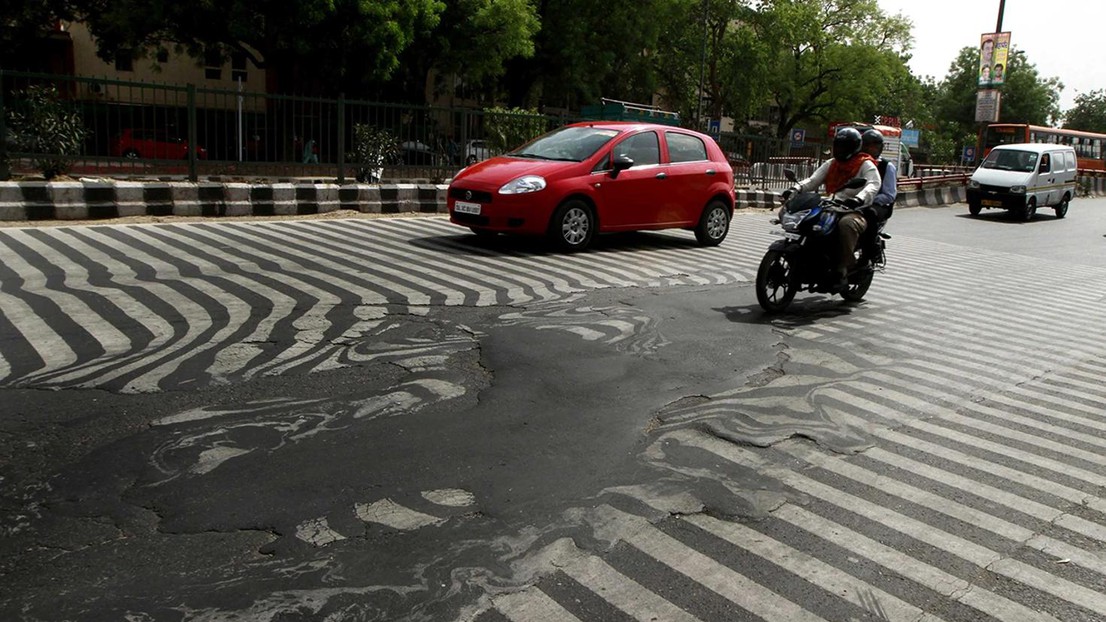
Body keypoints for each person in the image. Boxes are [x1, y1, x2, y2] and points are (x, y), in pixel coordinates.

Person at [783, 126, 880, 290]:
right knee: (808, 221)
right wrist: (796, 189)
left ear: (854, 147)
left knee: (845, 225)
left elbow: (873, 184)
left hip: (855, 209)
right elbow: (813, 180)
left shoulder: (865, 164)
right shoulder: (832, 163)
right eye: (838, 145)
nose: (840, 150)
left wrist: (858, 199)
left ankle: (843, 268)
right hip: (831, 204)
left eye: (844, 146)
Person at [860, 129, 896, 224]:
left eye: (875, 147)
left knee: (869, 213)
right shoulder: (856, 163)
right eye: (867, 146)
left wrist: (868, 199)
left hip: (877, 204)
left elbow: (889, 195)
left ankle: (869, 239)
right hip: (856, 200)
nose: (871, 150)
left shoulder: (887, 166)